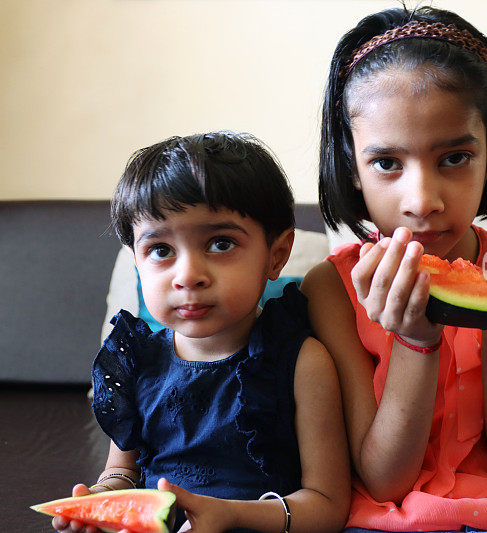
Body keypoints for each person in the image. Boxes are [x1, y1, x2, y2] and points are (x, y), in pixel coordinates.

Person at [301, 6, 487, 533]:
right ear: (352, 168)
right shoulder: (331, 288)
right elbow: (385, 480)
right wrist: (415, 342)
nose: (422, 200)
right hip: (387, 521)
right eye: (387, 163)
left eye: (454, 158)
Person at [51, 132, 350, 533]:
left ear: (275, 256)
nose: (188, 276)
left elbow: (328, 506)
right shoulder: (134, 362)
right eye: (160, 250)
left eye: (220, 243)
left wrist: (233, 515)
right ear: (137, 261)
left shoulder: (302, 362)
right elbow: (121, 473)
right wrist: (101, 500)